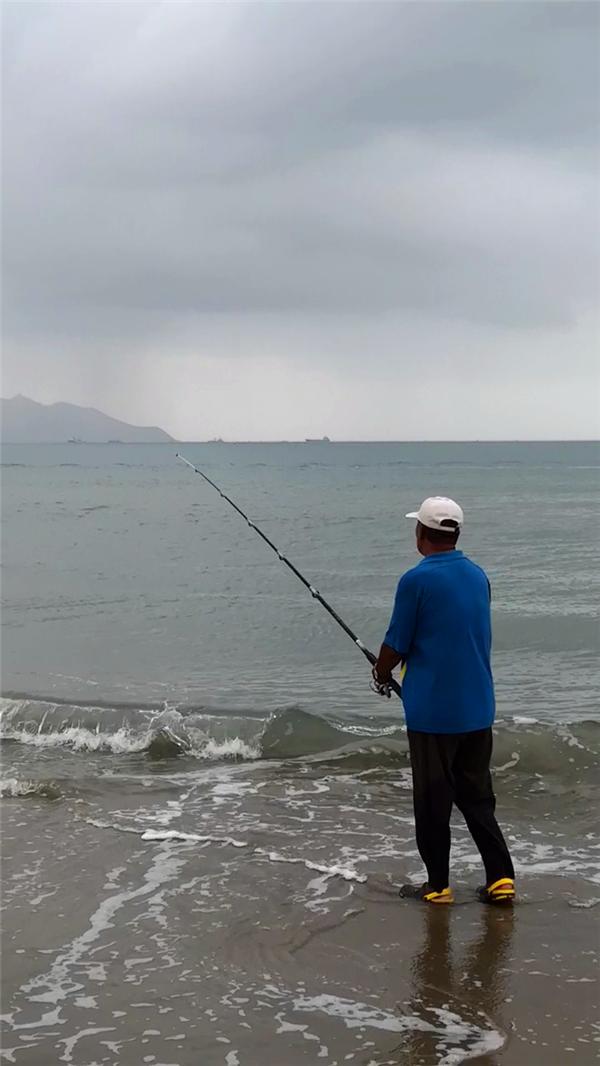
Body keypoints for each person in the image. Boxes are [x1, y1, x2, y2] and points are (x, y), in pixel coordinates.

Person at [372, 496, 515, 905]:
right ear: (456, 534)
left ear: (421, 535)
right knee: (477, 798)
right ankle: (501, 879)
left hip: (433, 714)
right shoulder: (478, 576)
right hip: (478, 707)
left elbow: (395, 643)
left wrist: (381, 674)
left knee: (433, 803)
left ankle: (437, 886)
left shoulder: (415, 581)